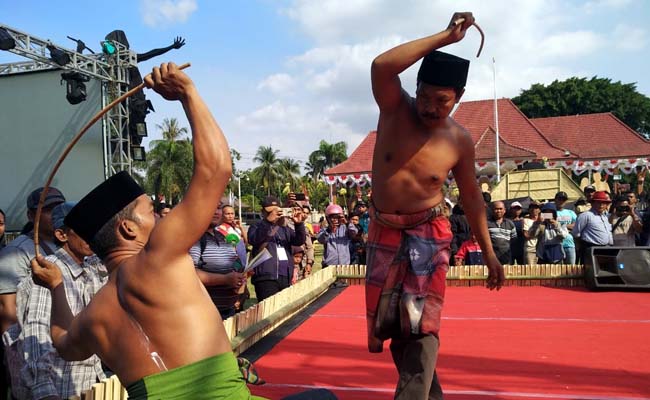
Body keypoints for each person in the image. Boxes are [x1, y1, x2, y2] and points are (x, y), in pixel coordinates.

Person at [29, 63, 267, 399]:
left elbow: (64, 343)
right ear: (127, 228)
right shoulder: (160, 256)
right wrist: (187, 93)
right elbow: (215, 169)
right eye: (151, 211)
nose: (159, 217)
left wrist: (55, 287)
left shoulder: (93, 316)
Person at [367, 11, 504, 400]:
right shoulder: (394, 109)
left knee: (422, 325)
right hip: (383, 230)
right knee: (395, 325)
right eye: (424, 97)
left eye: (441, 101)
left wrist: (489, 253)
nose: (429, 107)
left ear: (457, 98)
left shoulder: (459, 141)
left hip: (429, 236)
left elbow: (472, 199)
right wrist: (445, 37)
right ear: (416, 88)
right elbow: (381, 66)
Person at [3, 202, 108, 399]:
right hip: (60, 388)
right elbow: (36, 336)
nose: (91, 234)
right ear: (62, 235)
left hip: (89, 382)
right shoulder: (48, 272)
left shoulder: (92, 268)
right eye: (83, 229)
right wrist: (45, 391)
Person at [0, 187, 66, 334]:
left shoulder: (68, 244)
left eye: (59, 207)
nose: (56, 213)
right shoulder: (16, 252)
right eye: (48, 210)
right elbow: (8, 309)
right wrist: (15, 353)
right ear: (31, 216)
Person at [190, 201, 246, 320]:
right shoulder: (195, 238)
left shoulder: (223, 235)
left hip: (229, 309)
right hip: (207, 313)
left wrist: (240, 276)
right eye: (211, 207)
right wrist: (225, 279)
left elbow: (234, 262)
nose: (216, 212)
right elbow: (189, 274)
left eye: (219, 208)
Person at [248, 196, 306, 302]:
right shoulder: (256, 226)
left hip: (285, 276)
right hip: (266, 277)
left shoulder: (284, 229)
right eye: (270, 211)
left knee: (284, 311)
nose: (274, 214)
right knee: (269, 311)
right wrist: (267, 223)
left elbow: (299, 241)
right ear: (263, 212)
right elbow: (254, 240)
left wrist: (299, 224)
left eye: (276, 211)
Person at [573, 191, 613, 264]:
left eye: (603, 203)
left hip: (606, 249)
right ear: (593, 203)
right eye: (598, 202)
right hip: (590, 249)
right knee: (590, 272)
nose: (601, 205)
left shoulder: (605, 217)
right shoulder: (585, 215)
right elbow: (576, 234)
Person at [554, 191, 577, 264]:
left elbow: (577, 225)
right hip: (555, 244)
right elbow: (547, 224)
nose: (561, 201)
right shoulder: (550, 212)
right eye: (559, 199)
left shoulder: (571, 212)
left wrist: (561, 226)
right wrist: (568, 227)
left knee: (571, 270)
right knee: (557, 270)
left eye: (563, 199)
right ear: (555, 200)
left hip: (569, 244)